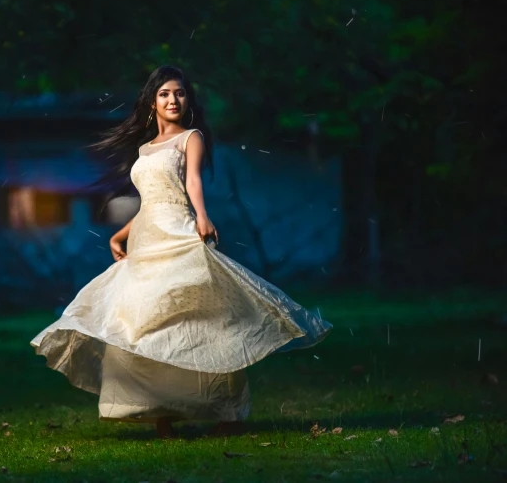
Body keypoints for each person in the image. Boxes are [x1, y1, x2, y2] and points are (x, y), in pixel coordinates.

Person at [30, 65, 332, 438]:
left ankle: (226, 413)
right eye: (164, 94)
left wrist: (202, 217)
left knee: (201, 320)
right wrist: (119, 235)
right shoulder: (145, 149)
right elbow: (149, 201)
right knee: (143, 322)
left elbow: (190, 182)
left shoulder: (191, 138)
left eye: (179, 93)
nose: (172, 100)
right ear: (152, 103)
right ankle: (161, 414)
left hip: (178, 232)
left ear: (187, 101)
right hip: (146, 238)